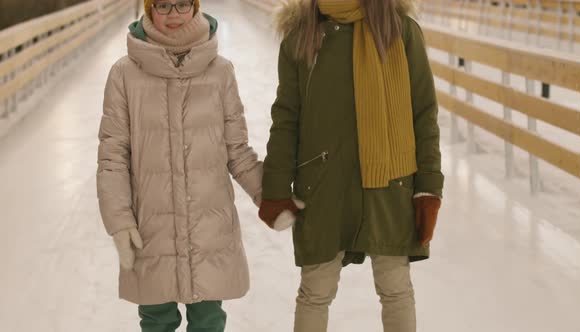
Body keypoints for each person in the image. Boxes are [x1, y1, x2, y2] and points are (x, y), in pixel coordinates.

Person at [258, 0, 444, 331]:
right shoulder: (301, 36)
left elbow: (424, 112)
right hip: (324, 184)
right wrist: (275, 188)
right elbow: (287, 117)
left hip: (390, 183)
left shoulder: (400, 30)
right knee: (315, 291)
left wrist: (429, 187)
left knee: (395, 288)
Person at [97, 1, 262, 331]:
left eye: (182, 3)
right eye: (162, 4)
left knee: (208, 320)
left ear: (195, 6)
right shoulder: (123, 74)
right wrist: (119, 222)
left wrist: (271, 198)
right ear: (149, 9)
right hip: (151, 227)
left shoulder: (220, 71)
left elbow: (238, 151)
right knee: (157, 320)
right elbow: (113, 157)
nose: (173, 14)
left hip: (208, 226)